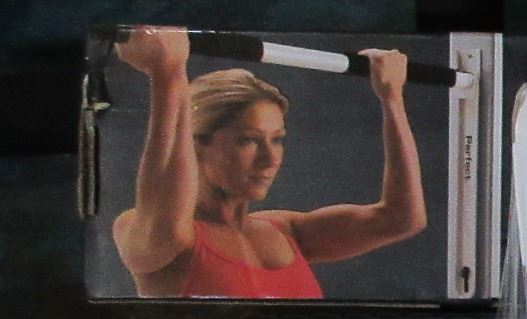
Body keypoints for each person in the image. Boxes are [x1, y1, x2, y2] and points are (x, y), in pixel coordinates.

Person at [111, 26, 427, 299]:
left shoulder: (285, 230)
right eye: (248, 140)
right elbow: (169, 221)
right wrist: (168, 74)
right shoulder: (147, 231)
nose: (270, 158)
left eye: (276, 139)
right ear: (195, 144)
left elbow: (402, 219)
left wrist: (391, 98)